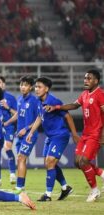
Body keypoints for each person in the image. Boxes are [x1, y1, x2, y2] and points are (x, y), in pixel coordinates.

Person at [44, 69, 104, 202]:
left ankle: (94, 190)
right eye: (85, 78)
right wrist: (56, 108)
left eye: (89, 78)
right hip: (86, 134)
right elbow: (74, 105)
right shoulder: (84, 94)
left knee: (84, 161)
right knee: (77, 162)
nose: (86, 81)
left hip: (95, 134)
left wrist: (102, 135)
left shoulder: (100, 94)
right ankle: (101, 173)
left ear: (96, 81)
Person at [26, 77, 79, 201]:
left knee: (50, 161)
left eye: (39, 87)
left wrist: (74, 134)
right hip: (50, 136)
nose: (36, 89)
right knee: (49, 163)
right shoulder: (39, 101)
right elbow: (40, 117)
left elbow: (68, 116)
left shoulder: (54, 101)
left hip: (60, 135)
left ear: (47, 89)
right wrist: (31, 131)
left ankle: (48, 195)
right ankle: (65, 188)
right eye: (36, 87)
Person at [3, 76, 39, 193]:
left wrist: (26, 129)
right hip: (19, 135)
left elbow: (39, 118)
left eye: (26, 85)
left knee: (21, 158)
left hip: (29, 135)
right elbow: (18, 114)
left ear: (31, 87)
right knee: (21, 160)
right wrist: (7, 122)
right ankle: (21, 186)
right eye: (21, 85)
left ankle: (19, 187)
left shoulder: (34, 101)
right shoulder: (19, 99)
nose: (23, 87)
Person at [0, 75, 17, 188]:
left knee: (7, 148)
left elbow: (17, 114)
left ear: (4, 84)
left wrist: (7, 107)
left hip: (8, 126)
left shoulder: (10, 98)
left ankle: (12, 173)